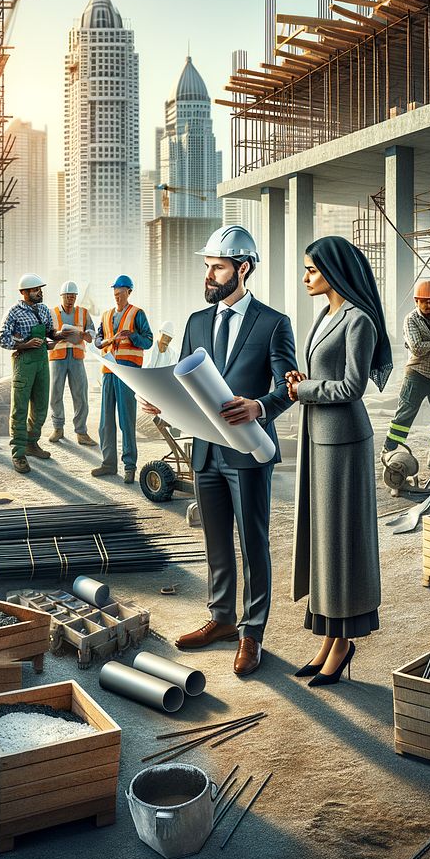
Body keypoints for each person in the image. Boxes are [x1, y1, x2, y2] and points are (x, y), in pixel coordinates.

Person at [144, 224, 298, 677]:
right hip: (206, 452)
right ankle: (222, 620)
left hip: (248, 452)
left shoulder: (273, 323)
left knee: (254, 543)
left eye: (217, 268)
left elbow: (288, 388)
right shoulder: (196, 322)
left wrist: (259, 406)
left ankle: (253, 633)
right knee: (215, 541)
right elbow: (184, 383)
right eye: (207, 267)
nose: (209, 275)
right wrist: (163, 399)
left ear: (242, 269)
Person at [286, 236, 392, 687]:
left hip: (344, 442)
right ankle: (330, 638)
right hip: (318, 436)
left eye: (311, 269)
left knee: (341, 541)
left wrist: (304, 391)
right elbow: (324, 376)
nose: (306, 277)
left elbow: (351, 387)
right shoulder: (326, 315)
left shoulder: (358, 320)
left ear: (331, 271)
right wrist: (303, 381)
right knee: (323, 539)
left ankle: (345, 641)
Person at [382, 279, 430, 470]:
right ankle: (388, 451)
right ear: (416, 300)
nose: (429, 305)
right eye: (425, 301)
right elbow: (416, 348)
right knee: (405, 414)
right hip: (416, 373)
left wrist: (429, 344)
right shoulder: (410, 319)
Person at [0, 273, 63, 473]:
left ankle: (31, 443)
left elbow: (50, 333)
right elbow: (2, 339)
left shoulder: (44, 309)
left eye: (40, 289)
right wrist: (25, 344)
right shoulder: (14, 312)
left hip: (43, 362)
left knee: (41, 406)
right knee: (20, 410)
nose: (39, 292)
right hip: (24, 363)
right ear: (24, 292)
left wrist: (61, 335)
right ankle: (18, 453)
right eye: (35, 290)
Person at [92, 275, 153, 484]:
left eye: (121, 293)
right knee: (105, 421)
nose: (117, 297)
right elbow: (98, 340)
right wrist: (108, 340)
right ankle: (108, 463)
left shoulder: (137, 314)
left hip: (127, 371)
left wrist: (132, 336)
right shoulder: (107, 315)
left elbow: (149, 341)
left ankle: (129, 466)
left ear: (129, 292)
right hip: (109, 370)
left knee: (126, 420)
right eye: (115, 294)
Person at [48, 280, 97, 446]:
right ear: (61, 296)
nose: (70, 299)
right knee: (55, 394)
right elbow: (46, 334)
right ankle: (58, 428)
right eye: (68, 296)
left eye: (73, 296)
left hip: (76, 357)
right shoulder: (52, 312)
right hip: (58, 357)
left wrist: (83, 334)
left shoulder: (84, 313)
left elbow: (92, 336)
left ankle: (81, 432)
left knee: (80, 394)